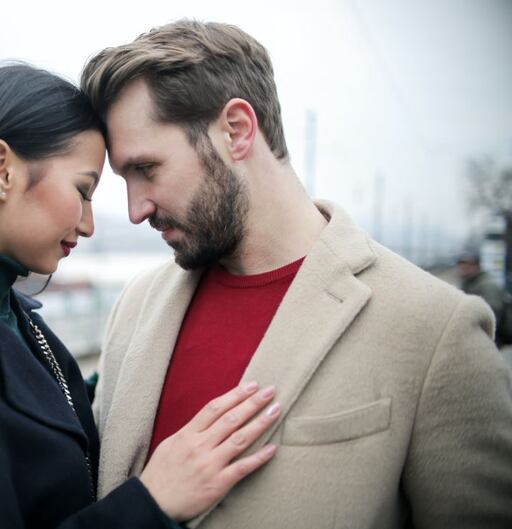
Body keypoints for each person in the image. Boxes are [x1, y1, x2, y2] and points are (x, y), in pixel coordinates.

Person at [80, 20, 512, 528]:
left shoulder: (435, 328)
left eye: (146, 169)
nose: (135, 209)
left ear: (237, 130)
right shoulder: (136, 305)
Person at [0, 63, 282, 529]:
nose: (89, 223)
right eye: (83, 190)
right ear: (0, 170)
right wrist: (150, 502)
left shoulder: (7, 316)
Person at [457, 250, 510, 346]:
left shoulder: (488, 285)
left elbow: (493, 315)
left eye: (469, 264)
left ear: (477, 266)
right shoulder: (467, 283)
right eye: (462, 264)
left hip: (492, 335)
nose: (464, 267)